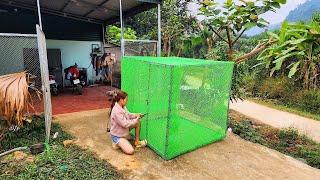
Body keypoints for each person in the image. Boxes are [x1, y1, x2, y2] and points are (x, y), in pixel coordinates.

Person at [109, 90, 147, 155]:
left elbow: (128, 114)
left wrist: (137, 115)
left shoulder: (122, 106)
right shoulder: (116, 111)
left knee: (137, 123)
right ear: (121, 100)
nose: (127, 101)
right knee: (130, 151)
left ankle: (137, 142)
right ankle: (116, 142)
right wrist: (135, 120)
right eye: (126, 100)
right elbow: (125, 124)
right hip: (118, 135)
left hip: (122, 130)